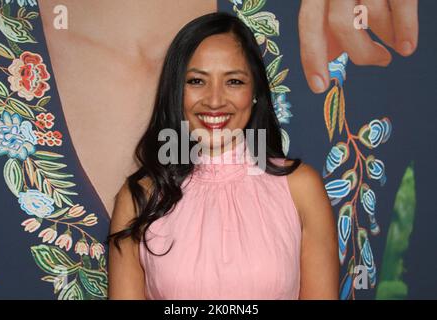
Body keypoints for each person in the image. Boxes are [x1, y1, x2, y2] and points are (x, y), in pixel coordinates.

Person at [108, 12, 339, 300]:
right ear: (176, 91)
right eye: (196, 81)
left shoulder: (301, 188)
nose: (215, 100)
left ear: (255, 92)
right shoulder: (138, 198)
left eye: (234, 82)